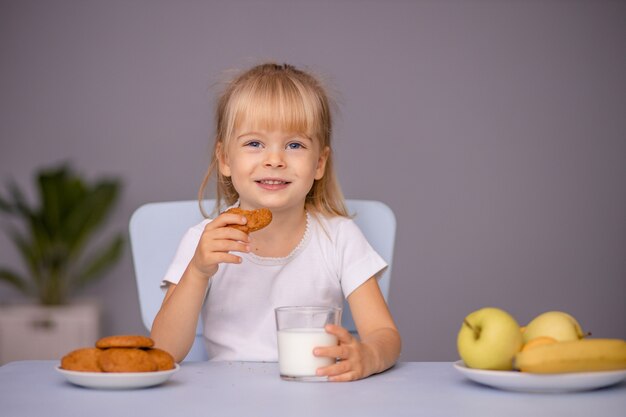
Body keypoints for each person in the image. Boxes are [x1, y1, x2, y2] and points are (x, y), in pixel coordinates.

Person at [151, 62, 401, 381]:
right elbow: (163, 351)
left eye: (294, 145)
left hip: (314, 393)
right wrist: (198, 271)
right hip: (225, 398)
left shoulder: (340, 237)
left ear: (319, 163)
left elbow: (384, 333)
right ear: (225, 159)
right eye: (254, 143)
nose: (274, 160)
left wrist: (369, 355)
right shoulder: (204, 240)